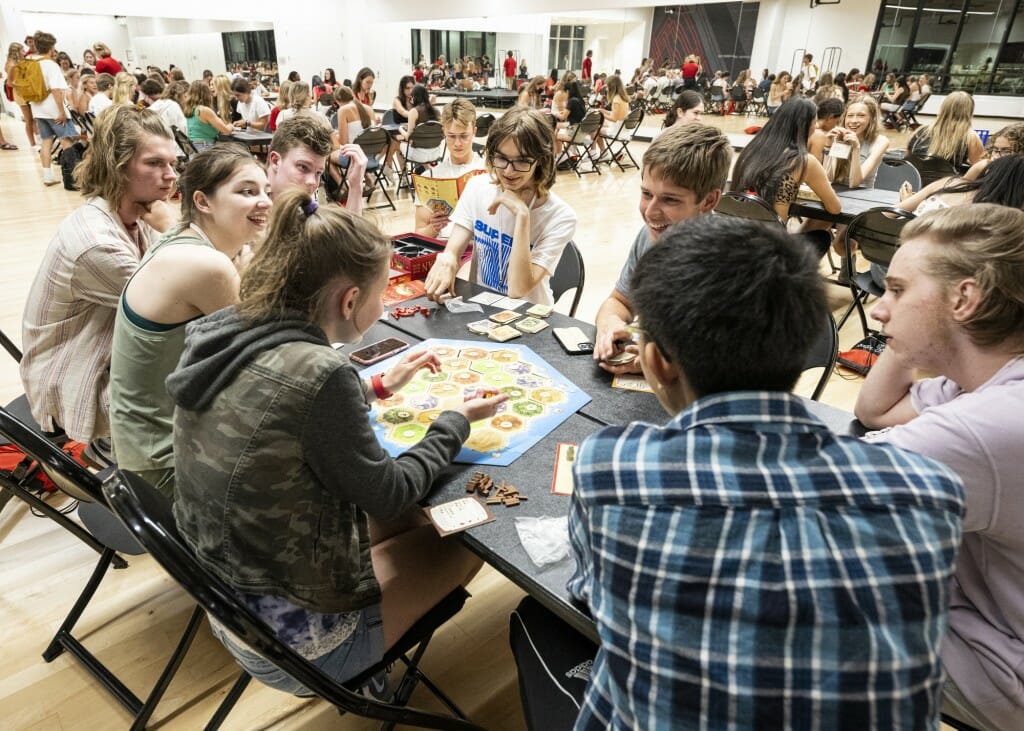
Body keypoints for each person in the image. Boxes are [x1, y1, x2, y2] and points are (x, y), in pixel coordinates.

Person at [569, 214, 965, 730]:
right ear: (802, 345)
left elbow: (588, 589)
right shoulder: (931, 492)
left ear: (658, 362)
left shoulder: (610, 466)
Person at [169, 187, 504, 696]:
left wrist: (372, 385)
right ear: (351, 300)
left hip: (226, 601)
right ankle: (367, 672)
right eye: (378, 290)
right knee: (473, 529)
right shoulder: (320, 373)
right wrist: (454, 422)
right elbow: (389, 491)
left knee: (421, 515)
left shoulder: (227, 328)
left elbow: (281, 400)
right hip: (298, 649)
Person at [854, 204, 1024, 731]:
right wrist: (915, 334)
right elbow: (874, 411)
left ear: (964, 298)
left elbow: (816, 488)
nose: (879, 310)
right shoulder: (983, 378)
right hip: (980, 608)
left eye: (898, 290)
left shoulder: (989, 422)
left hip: (1001, 666)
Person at [109, 146, 272, 495]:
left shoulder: (183, 238)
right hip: (164, 466)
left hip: (145, 446)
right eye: (247, 192)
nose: (265, 202)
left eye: (265, 191)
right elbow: (265, 361)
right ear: (203, 201)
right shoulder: (207, 266)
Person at [20, 106, 178, 460]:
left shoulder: (134, 213)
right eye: (154, 164)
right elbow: (182, 305)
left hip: (102, 352)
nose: (170, 176)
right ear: (117, 165)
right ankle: (110, 447)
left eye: (171, 163)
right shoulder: (97, 244)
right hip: (73, 377)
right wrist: (178, 231)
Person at [593, 123, 730, 374]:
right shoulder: (649, 237)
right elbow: (619, 300)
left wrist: (661, 366)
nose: (650, 211)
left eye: (670, 199)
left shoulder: (730, 264)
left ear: (709, 200)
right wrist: (610, 323)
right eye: (646, 193)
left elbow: (727, 362)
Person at [423, 106, 576, 305]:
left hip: (530, 318)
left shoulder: (561, 217)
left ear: (540, 160)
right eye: (501, 158)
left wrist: (522, 215)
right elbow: (453, 250)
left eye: (522, 161)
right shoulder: (477, 187)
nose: (508, 171)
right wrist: (448, 260)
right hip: (482, 309)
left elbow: (518, 289)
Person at [731, 97, 841, 223]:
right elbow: (834, 208)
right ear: (804, 126)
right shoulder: (803, 160)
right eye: (814, 122)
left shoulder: (751, 150)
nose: (815, 127)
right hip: (772, 239)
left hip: (735, 232)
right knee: (821, 234)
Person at [413, 98, 485, 239]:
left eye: (464, 136)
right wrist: (434, 227)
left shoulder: (488, 170)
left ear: (474, 132)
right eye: (451, 136)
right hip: (442, 247)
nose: (457, 143)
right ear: (443, 132)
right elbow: (419, 234)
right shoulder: (430, 177)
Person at [273, 110, 364, 212]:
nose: (312, 182)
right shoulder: (257, 208)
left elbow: (349, 228)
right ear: (276, 161)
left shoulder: (300, 199)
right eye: (303, 167)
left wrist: (356, 187)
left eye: (318, 173)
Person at [25, 32, 79, 187]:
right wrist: (61, 111)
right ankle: (73, 178)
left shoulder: (30, 62)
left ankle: (48, 176)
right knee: (67, 141)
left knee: (46, 142)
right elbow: (56, 90)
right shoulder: (50, 64)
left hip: (38, 109)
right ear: (51, 47)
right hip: (53, 110)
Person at [908, 90, 985, 171]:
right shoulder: (970, 137)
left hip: (915, 181)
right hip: (946, 182)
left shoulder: (920, 131)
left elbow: (906, 159)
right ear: (969, 112)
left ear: (943, 108)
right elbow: (980, 168)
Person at [827, 96, 890, 188]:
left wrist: (856, 148)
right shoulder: (840, 136)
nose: (854, 121)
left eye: (861, 115)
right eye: (850, 115)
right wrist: (830, 146)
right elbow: (829, 178)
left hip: (862, 196)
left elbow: (854, 183)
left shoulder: (880, 141)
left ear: (871, 119)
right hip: (836, 192)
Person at [182, 79, 233, 151]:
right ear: (206, 93)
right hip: (205, 147)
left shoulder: (190, 110)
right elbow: (226, 131)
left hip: (194, 147)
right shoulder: (204, 110)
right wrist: (231, 125)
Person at [808, 97, 844, 162]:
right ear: (830, 117)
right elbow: (815, 168)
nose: (836, 126)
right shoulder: (818, 135)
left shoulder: (806, 127)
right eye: (837, 122)